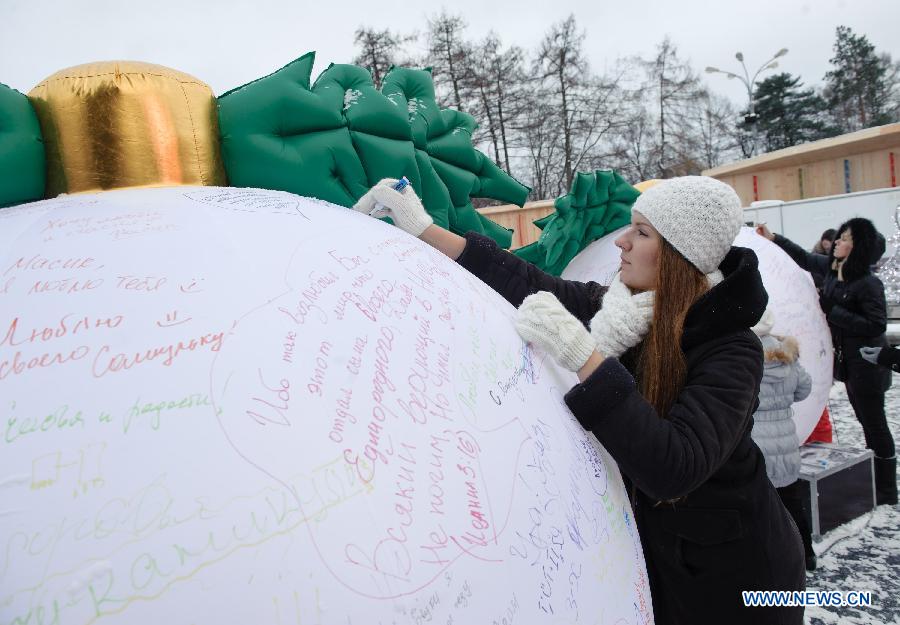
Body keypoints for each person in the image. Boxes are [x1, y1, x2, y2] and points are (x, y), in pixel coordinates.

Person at [355, 176, 805, 624]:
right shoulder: (625, 310)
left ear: (679, 255)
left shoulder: (732, 348)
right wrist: (422, 228)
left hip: (743, 582)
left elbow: (674, 467)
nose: (623, 244)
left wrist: (583, 356)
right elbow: (526, 281)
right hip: (665, 569)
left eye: (642, 233)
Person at [756, 219, 897, 506]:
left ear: (859, 249)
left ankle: (886, 487)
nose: (838, 243)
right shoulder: (835, 273)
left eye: (846, 239)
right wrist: (774, 238)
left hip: (869, 365)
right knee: (865, 421)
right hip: (851, 365)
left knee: (875, 424)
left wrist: (833, 311)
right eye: (840, 237)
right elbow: (805, 258)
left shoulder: (868, 283)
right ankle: (878, 481)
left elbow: (875, 324)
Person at [749, 309, 816, 570]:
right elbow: (804, 389)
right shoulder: (786, 354)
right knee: (792, 502)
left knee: (761, 509)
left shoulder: (742, 355)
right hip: (787, 445)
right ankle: (807, 554)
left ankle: (771, 564)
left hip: (756, 444)